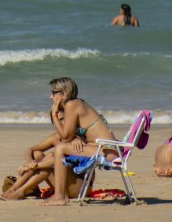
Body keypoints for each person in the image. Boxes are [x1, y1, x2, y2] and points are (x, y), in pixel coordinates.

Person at [41, 77, 117, 206]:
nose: (50, 97)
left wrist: (54, 115)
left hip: (107, 151)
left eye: (54, 93)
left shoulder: (72, 104)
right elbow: (70, 136)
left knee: (60, 149)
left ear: (63, 94)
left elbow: (65, 137)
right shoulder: (77, 103)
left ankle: (60, 196)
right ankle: (61, 194)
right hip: (104, 148)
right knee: (62, 148)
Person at [0, 111, 80, 201]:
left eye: (63, 119)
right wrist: (30, 162)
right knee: (37, 154)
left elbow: (56, 160)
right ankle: (13, 189)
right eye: (57, 120)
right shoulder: (56, 138)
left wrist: (30, 167)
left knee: (51, 157)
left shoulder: (77, 139)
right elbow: (30, 150)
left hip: (77, 188)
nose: (60, 123)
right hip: (62, 185)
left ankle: (20, 191)